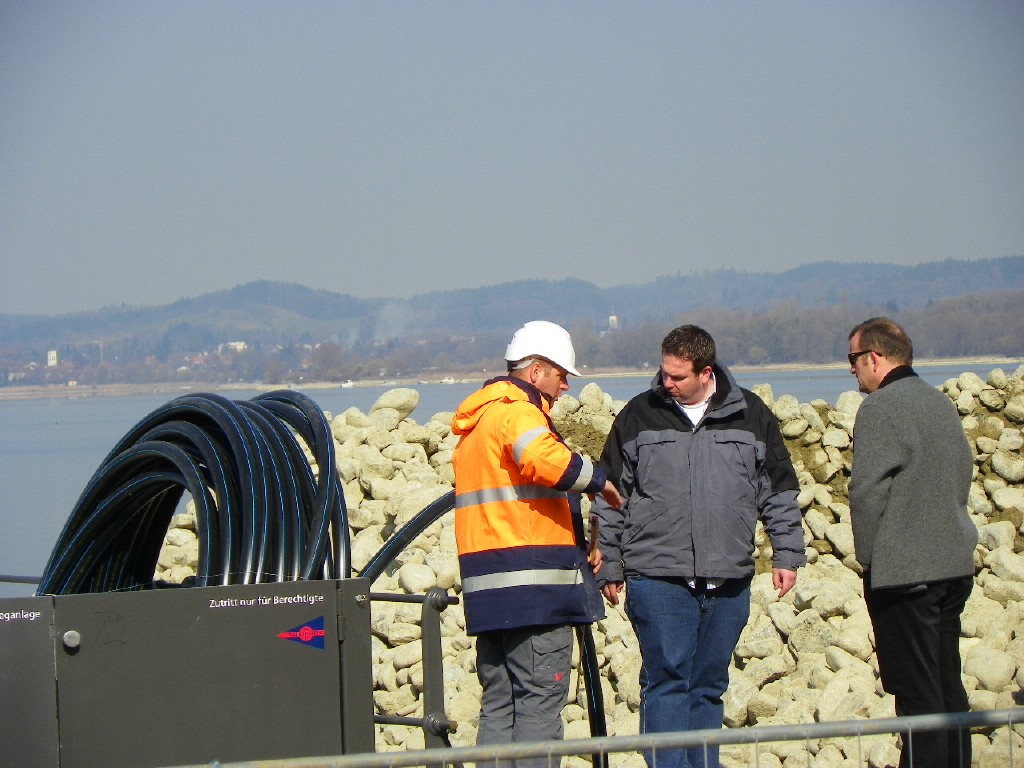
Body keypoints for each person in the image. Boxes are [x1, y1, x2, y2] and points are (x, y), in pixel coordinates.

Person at [594, 324, 806, 768]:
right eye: (664, 373)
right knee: (667, 681)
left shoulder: (752, 414)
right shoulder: (639, 414)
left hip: (729, 577)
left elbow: (778, 491)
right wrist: (608, 562)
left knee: (709, 685)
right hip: (658, 576)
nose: (666, 383)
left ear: (706, 372)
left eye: (678, 377)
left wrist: (787, 554)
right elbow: (610, 496)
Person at [452, 320, 623, 767]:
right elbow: (545, 460)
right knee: (539, 700)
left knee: (499, 702)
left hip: (489, 591)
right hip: (534, 592)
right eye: (561, 375)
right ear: (536, 372)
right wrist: (599, 481)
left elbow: (519, 502)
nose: (566, 386)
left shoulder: (479, 422)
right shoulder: (517, 412)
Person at [847, 317, 977, 768]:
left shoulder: (880, 407)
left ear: (874, 357)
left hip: (905, 576)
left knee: (917, 695)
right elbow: (962, 473)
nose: (851, 369)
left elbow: (866, 492)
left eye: (853, 359)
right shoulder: (939, 402)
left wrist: (870, 560)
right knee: (948, 686)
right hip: (953, 565)